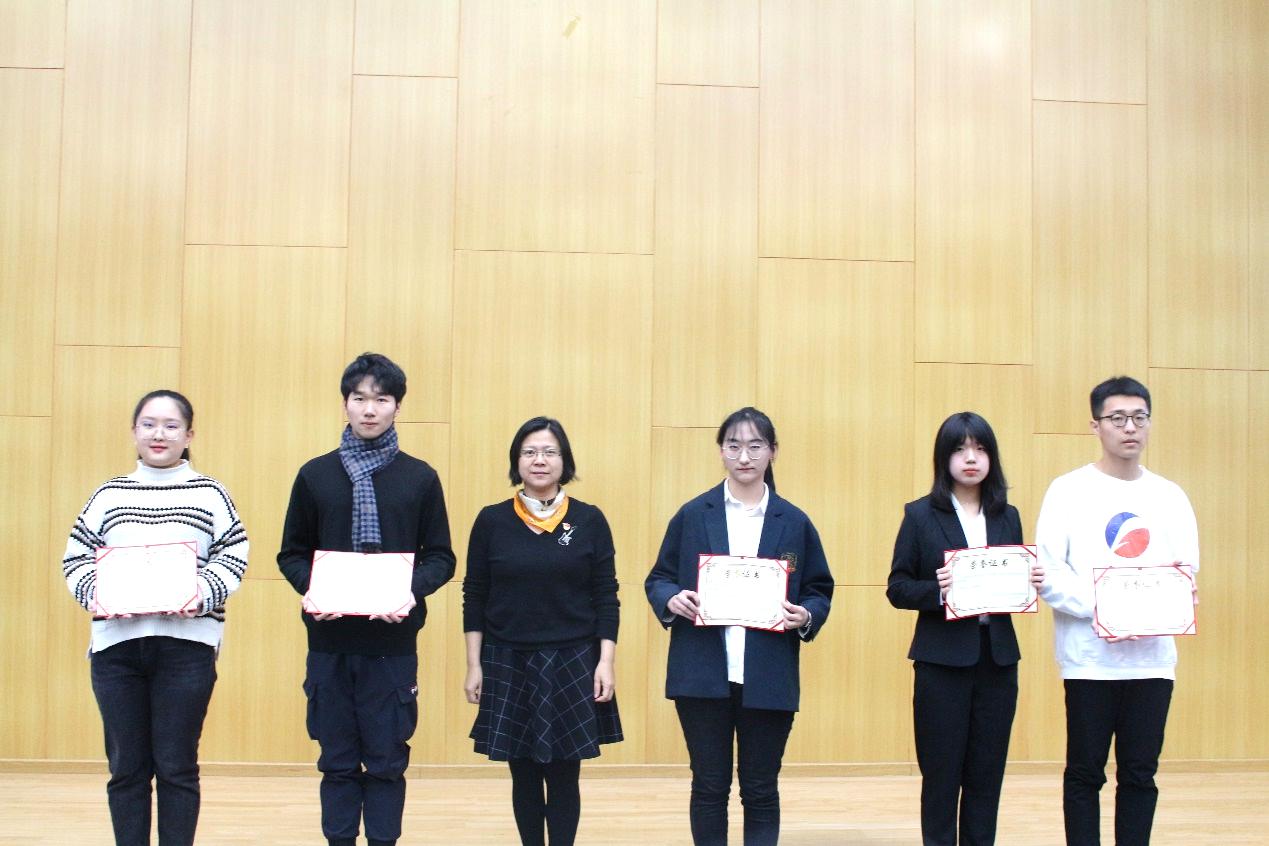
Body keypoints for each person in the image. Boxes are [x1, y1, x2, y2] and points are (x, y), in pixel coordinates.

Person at [277, 353, 455, 846]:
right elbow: (291, 554)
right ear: (345, 404)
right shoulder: (315, 475)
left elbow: (441, 558)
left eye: (382, 399)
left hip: (391, 647)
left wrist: (406, 592)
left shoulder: (419, 478)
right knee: (336, 762)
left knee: (385, 763)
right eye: (360, 398)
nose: (370, 409)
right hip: (329, 642)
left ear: (398, 406)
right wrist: (314, 589)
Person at [61, 389, 249, 846]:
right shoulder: (109, 494)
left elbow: (234, 554)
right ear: (134, 432)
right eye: (148, 424)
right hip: (117, 650)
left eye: (170, 425)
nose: (158, 434)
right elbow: (76, 558)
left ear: (189, 435)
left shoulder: (209, 493)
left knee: (176, 766)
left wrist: (197, 595)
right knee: (126, 768)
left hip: (186, 648)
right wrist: (101, 594)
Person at [645, 406, 833, 846]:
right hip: (702, 673)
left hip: (769, 674)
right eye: (733, 446)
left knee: (761, 790)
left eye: (755, 446)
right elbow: (659, 578)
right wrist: (670, 599)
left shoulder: (794, 521)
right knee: (709, 787)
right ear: (721, 452)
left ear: (773, 452)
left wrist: (806, 615)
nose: (744, 456)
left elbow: (819, 589)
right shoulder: (694, 514)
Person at [1037, 376, 1199, 846]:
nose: (1130, 427)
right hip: (1090, 659)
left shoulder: (1170, 496)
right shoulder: (1068, 490)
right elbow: (1048, 572)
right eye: (1118, 418)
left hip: (1152, 660)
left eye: (1139, 417)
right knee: (1084, 772)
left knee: (1140, 773)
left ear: (1149, 423)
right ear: (1096, 425)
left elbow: (1185, 571)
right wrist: (1107, 611)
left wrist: (1166, 606)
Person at [462, 416, 622, 845]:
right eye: (529, 452)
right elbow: (474, 595)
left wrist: (605, 662)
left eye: (550, 452)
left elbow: (606, 595)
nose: (539, 460)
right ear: (516, 461)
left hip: (574, 659)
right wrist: (474, 664)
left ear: (564, 461)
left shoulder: (589, 519)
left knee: (566, 774)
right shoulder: (491, 520)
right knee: (524, 773)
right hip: (507, 658)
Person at [886, 412, 1043, 845]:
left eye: (980, 449)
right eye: (959, 449)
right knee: (941, 776)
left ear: (992, 457)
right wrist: (938, 592)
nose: (970, 458)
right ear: (944, 458)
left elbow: (1012, 583)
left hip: (997, 661)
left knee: (986, 776)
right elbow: (898, 587)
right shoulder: (920, 515)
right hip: (942, 662)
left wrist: (1029, 582)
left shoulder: (1007, 515)